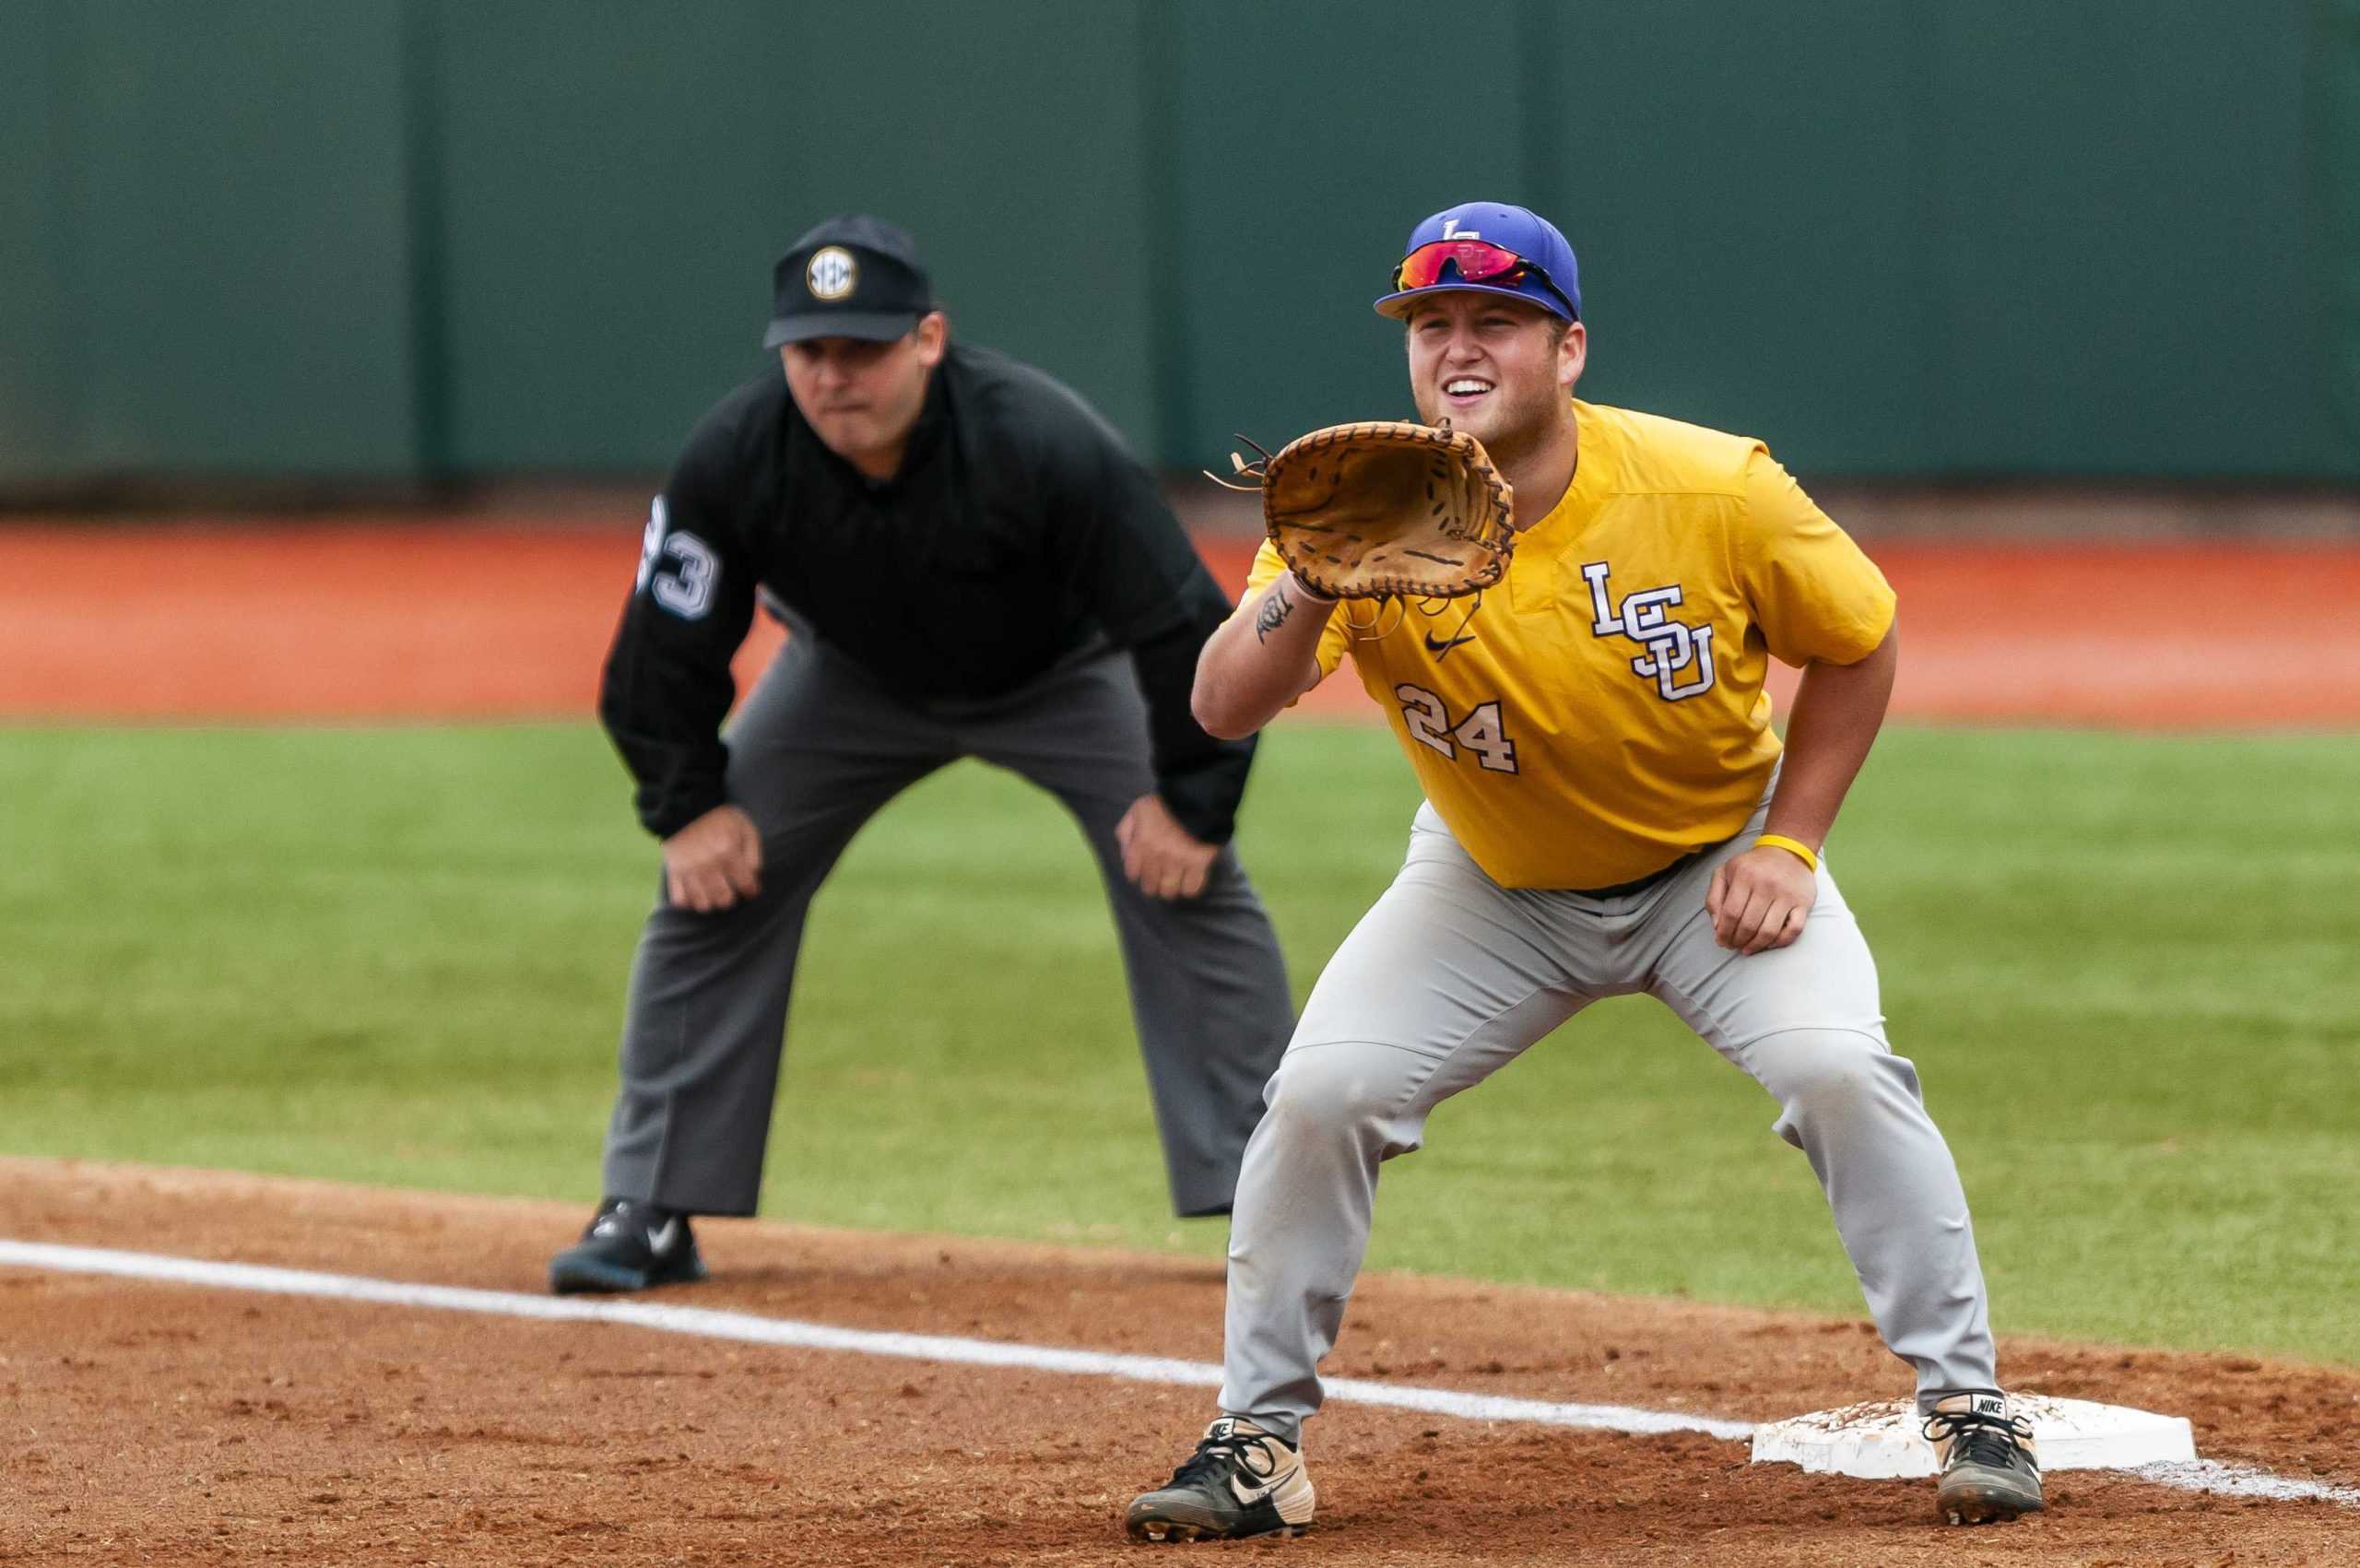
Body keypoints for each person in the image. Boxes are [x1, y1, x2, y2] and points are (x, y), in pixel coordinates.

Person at [1123, 201, 2042, 1540]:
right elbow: (1220, 703)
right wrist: (1313, 579)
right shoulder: (1355, 503)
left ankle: (1971, 1407)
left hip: (1711, 865)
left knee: (1838, 1068)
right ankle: (1256, 1439)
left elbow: (1860, 638)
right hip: (1489, 883)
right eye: (1430, 324)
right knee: (1322, 1090)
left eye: (1495, 320)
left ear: (1569, 349)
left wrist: (1790, 840)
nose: (1457, 348)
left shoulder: (1710, 486)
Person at [549, 215, 1294, 1294]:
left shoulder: (1040, 439)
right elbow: (659, 654)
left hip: (1063, 674)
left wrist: (1193, 800)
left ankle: (1270, 1204)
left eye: (863, 348)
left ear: (929, 339)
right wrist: (687, 807)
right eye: (811, 352)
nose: (834, 376)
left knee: (1190, 878)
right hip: (846, 681)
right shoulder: (735, 455)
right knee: (711, 885)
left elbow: (1181, 622)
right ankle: (650, 1206)